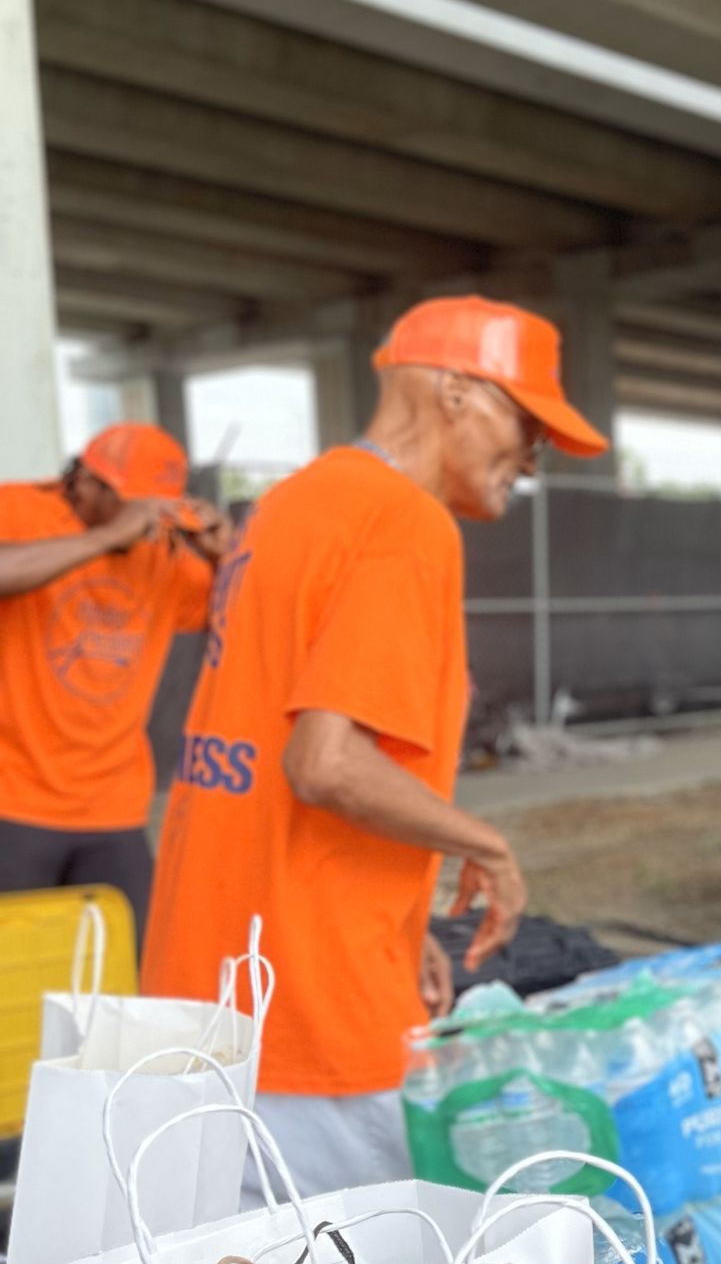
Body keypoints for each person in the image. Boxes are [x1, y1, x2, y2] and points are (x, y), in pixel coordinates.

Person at [141, 295, 609, 1195]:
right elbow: (324, 763)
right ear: (456, 392)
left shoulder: (291, 505)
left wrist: (403, 922)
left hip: (210, 997)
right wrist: (485, 845)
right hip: (314, 1016)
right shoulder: (404, 521)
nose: (534, 456)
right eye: (528, 421)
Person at [0, 422, 230, 940]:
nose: (151, 523)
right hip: (13, 802)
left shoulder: (161, 548)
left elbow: (242, 620)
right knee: (16, 983)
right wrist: (104, 538)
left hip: (114, 810)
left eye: (160, 507)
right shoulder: (18, 509)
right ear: (87, 482)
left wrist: (226, 554)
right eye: (136, 505)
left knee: (122, 981)